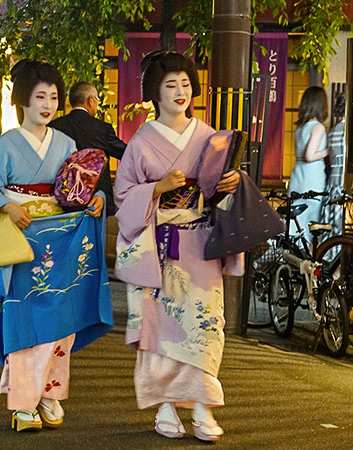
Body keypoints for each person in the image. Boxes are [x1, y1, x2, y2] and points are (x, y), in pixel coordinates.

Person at [0, 59, 113, 432]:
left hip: (60, 240)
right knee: (25, 320)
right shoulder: (4, 145)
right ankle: (22, 403)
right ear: (23, 102)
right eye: (39, 97)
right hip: (20, 242)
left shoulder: (65, 143)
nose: (47, 104)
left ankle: (49, 392)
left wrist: (94, 199)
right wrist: (7, 205)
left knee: (60, 320)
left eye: (53, 97)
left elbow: (77, 188)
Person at [113, 51, 242, 442]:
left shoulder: (210, 137)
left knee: (203, 326)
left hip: (199, 241)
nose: (180, 91)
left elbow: (221, 188)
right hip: (159, 247)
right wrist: (157, 188)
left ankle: (203, 408)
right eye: (171, 85)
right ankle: (165, 406)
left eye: (185, 84)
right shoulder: (141, 141)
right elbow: (123, 195)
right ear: (156, 91)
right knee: (160, 329)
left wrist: (231, 184)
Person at [49, 80, 126, 216]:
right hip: (95, 201)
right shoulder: (102, 129)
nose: (97, 105)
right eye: (97, 100)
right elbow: (126, 154)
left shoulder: (54, 126)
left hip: (61, 199)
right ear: (90, 101)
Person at [288, 86, 329, 242]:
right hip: (312, 178)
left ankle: (285, 256)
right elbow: (310, 155)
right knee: (310, 223)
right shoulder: (318, 128)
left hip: (297, 176)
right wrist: (327, 151)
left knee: (295, 222)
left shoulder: (300, 128)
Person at [320, 92, 346, 236]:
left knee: (330, 223)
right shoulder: (348, 131)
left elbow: (329, 159)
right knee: (340, 225)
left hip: (332, 181)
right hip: (343, 180)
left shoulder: (333, 131)